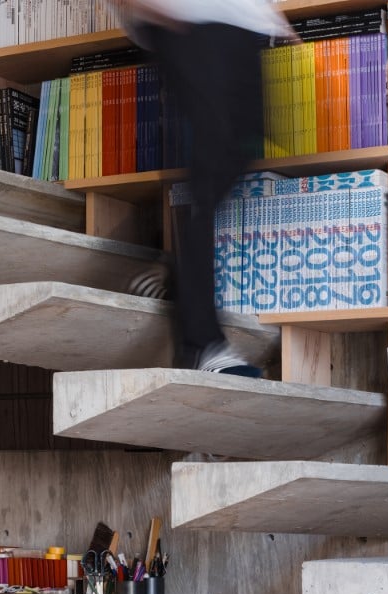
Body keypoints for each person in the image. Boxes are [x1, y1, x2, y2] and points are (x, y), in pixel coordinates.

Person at [113, 0, 297, 377]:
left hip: (241, 24)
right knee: (211, 166)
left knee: (242, 149)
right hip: (186, 20)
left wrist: (269, 16)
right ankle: (202, 345)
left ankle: (179, 272)